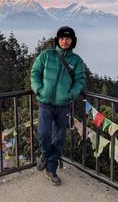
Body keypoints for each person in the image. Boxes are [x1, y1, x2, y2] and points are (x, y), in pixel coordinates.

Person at [30, 26, 86, 185]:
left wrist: (71, 94)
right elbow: (35, 73)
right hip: (45, 103)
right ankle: (44, 154)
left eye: (68, 38)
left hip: (63, 105)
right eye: (62, 38)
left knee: (59, 138)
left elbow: (80, 80)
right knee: (44, 133)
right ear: (57, 39)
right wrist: (38, 89)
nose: (65, 41)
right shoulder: (46, 55)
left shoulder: (76, 61)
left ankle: (51, 170)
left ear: (72, 41)